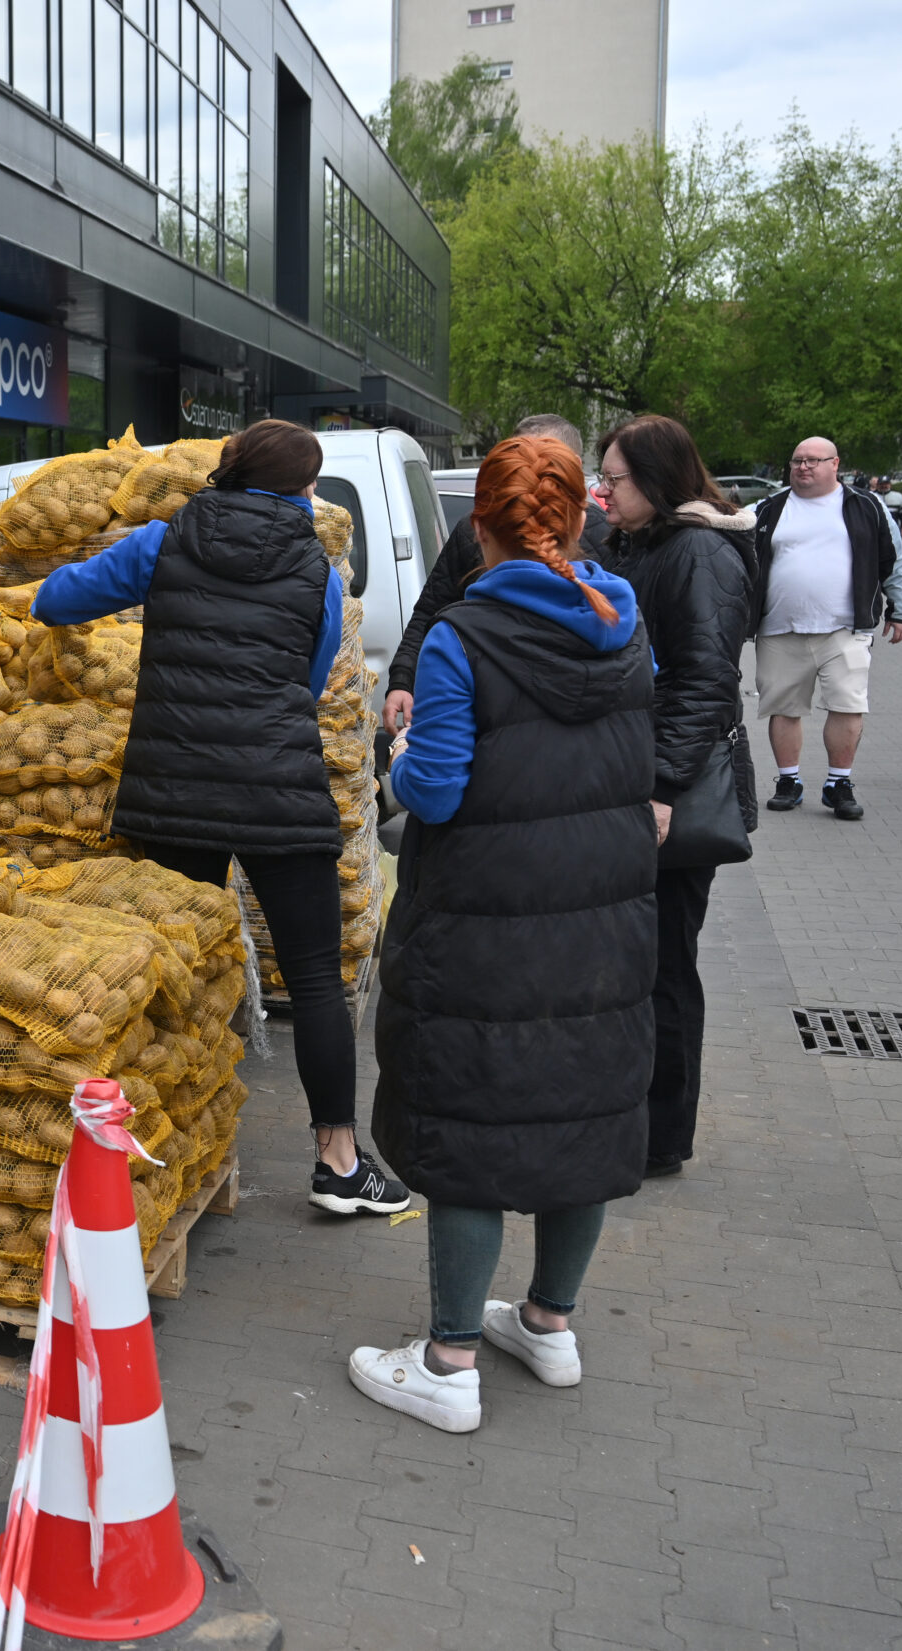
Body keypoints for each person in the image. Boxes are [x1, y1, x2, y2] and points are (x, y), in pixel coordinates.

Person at [349, 434, 655, 1433]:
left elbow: (434, 789)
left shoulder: (461, 637)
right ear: (579, 521)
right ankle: (549, 1324)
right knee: (583, 1107)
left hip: (485, 913)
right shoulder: (620, 619)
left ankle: (447, 1362)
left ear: (477, 525)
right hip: (604, 908)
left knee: (469, 1117)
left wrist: (400, 754)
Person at [33, 419, 409, 1217]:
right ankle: (339, 1164)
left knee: (175, 966)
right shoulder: (318, 572)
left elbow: (53, 600)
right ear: (304, 489)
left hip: (175, 792)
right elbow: (309, 682)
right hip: (279, 792)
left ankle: (161, 1145)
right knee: (316, 978)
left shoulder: (163, 541)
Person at [593, 415, 755, 1180]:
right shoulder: (641, 542)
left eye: (615, 479)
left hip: (672, 794)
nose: (603, 492)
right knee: (637, 959)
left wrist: (662, 786)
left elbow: (705, 682)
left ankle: (662, 1134)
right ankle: (631, 1112)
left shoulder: (699, 553)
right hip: (637, 780)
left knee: (664, 967)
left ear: (657, 481)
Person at [383, 413, 611, 734]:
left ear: (572, 464)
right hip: (492, 722)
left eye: (544, 459)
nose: (529, 471)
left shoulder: (608, 537)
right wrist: (403, 679)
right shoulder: (473, 532)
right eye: (519, 458)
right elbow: (430, 609)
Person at [749, 437, 902, 821]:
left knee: (847, 705)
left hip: (846, 627)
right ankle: (788, 781)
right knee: (782, 707)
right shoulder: (769, 508)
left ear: (835, 463)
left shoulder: (866, 506)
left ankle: (838, 784)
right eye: (797, 461)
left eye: (813, 460)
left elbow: (892, 559)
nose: (803, 467)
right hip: (779, 627)